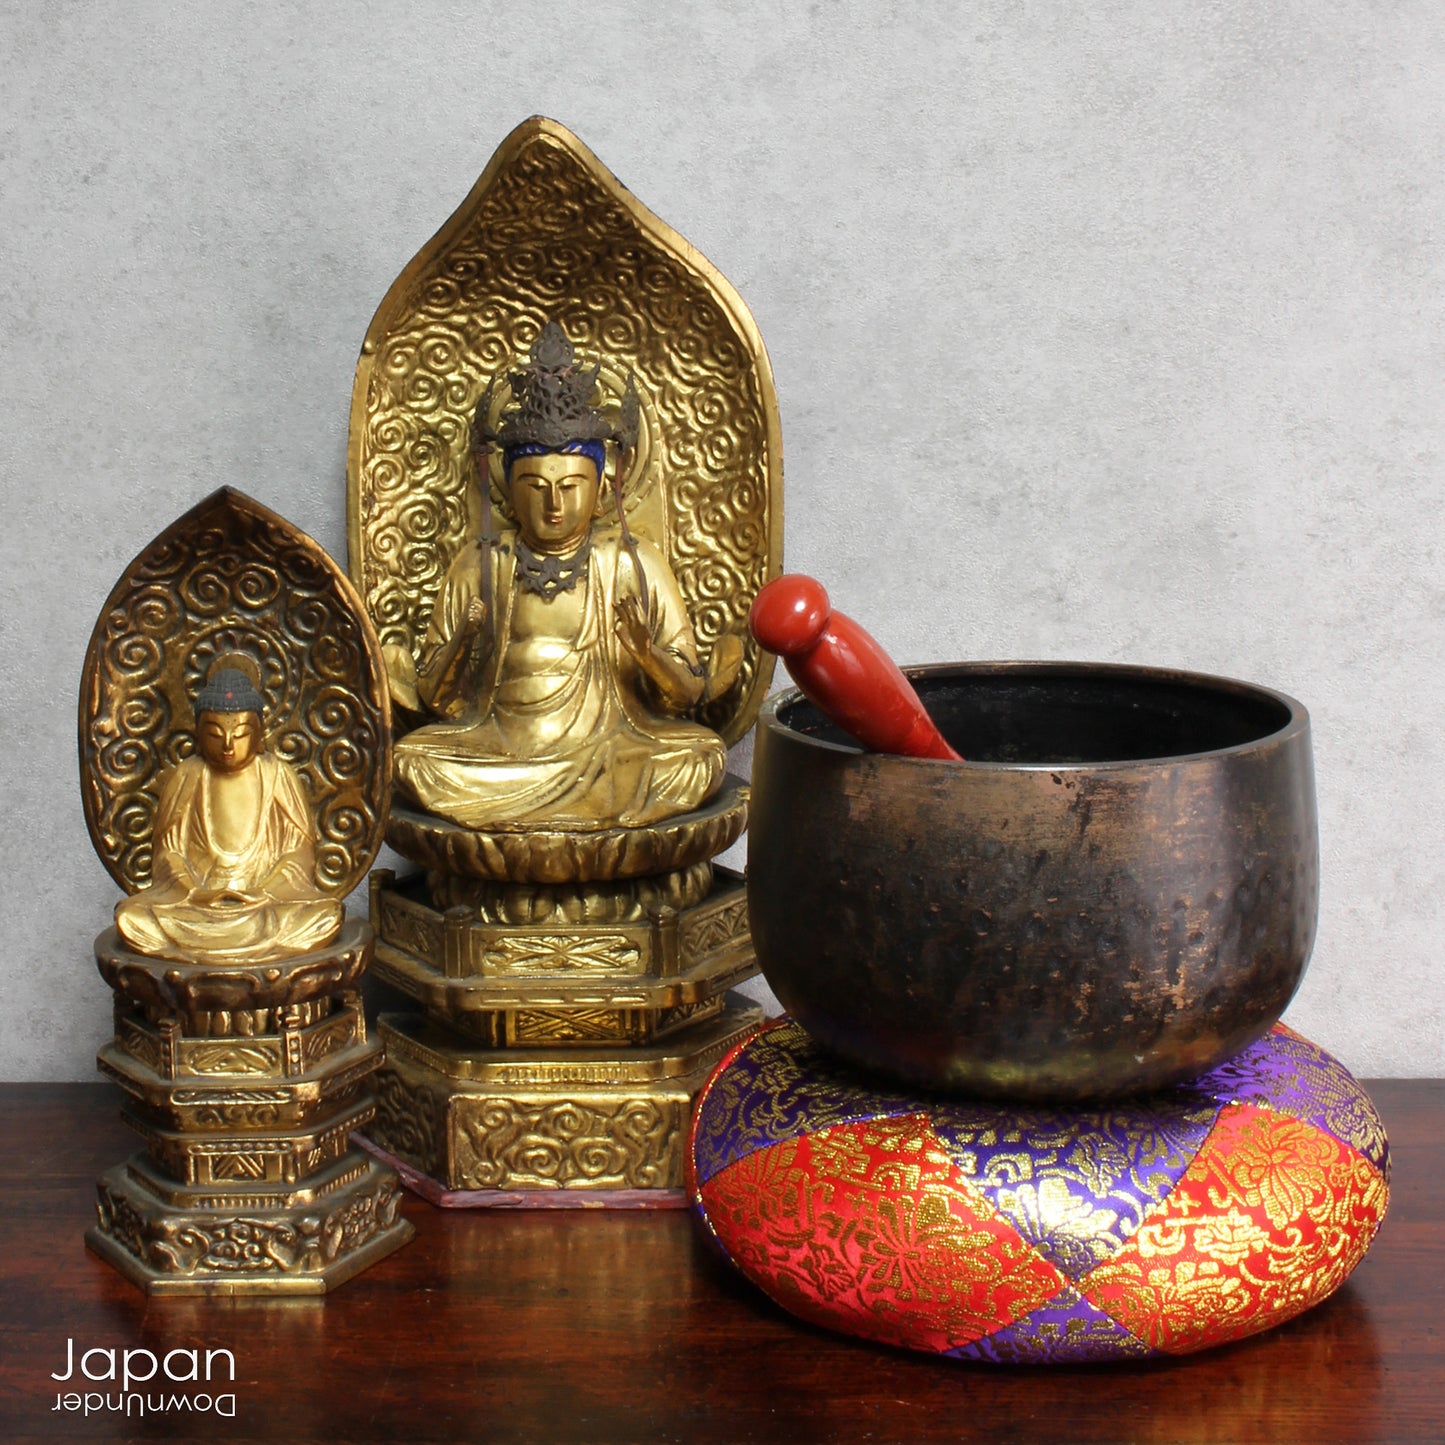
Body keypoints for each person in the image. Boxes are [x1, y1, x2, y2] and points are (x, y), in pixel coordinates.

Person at [390, 323, 728, 832]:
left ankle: (533, 824)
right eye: (534, 485)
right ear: (508, 486)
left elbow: (685, 697)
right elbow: (438, 701)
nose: (553, 504)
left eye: (571, 485)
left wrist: (646, 653)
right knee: (412, 760)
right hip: (499, 745)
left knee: (701, 757)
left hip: (611, 747)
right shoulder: (481, 563)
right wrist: (463, 639)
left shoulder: (633, 563)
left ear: (602, 486)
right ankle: (583, 824)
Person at [114, 667, 343, 962]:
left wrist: (264, 892)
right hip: (197, 907)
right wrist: (195, 892)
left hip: (263, 905)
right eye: (214, 733)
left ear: (260, 732)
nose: (227, 745)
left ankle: (209, 954)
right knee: (132, 918)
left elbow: (299, 855)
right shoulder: (187, 775)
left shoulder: (277, 775)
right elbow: (167, 854)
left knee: (324, 916)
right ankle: (241, 952)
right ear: (198, 734)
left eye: (241, 734)